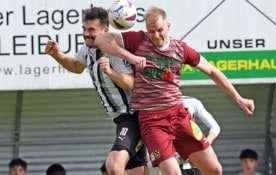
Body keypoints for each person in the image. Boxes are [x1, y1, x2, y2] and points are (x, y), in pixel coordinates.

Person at [94, 6, 255, 175]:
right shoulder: (138, 40)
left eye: (160, 30)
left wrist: (238, 98)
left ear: (168, 26)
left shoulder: (181, 49)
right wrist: (131, 57)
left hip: (179, 116)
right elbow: (101, 40)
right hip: (152, 123)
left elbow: (213, 71)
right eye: (151, 31)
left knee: (215, 170)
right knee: (173, 173)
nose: (156, 36)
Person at [45, 7, 147, 175]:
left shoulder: (114, 52)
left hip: (133, 116)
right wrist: (57, 54)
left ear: (105, 31)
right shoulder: (87, 49)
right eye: (84, 29)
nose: (86, 33)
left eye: (91, 30)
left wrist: (111, 72)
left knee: (114, 166)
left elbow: (133, 84)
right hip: (122, 119)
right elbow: (77, 66)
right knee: (138, 172)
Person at [178, 96, 220, 175]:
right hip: (174, 166)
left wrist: (205, 144)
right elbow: (155, 151)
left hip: (194, 166)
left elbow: (215, 127)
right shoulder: (156, 106)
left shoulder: (191, 102)